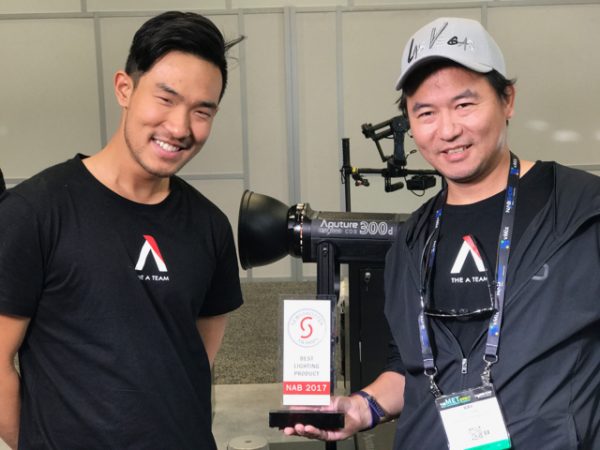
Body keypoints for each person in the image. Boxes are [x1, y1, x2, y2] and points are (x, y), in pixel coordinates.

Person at [284, 17, 600, 449]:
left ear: (507, 99)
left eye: (464, 104)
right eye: (426, 113)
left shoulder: (582, 211)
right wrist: (361, 407)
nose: (448, 130)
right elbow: (409, 367)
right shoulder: (412, 240)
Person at [0, 11, 244, 450]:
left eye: (201, 111)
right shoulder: (34, 212)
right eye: (165, 98)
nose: (180, 127)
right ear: (124, 88)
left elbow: (195, 357)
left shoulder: (210, 226)